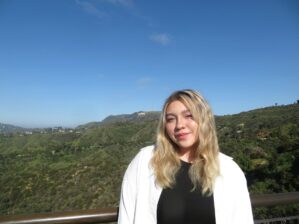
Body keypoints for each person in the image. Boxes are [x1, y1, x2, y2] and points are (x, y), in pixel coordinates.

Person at [118, 89, 254, 224]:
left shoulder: (229, 170)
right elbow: (126, 216)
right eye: (171, 119)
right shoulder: (145, 161)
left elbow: (243, 219)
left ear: (204, 120)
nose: (179, 125)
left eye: (189, 116)